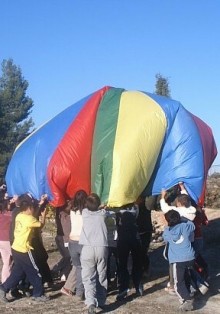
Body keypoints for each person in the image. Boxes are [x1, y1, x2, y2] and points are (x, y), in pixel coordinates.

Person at [0, 196, 49, 303]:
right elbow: (40, 225)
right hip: (24, 249)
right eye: (32, 208)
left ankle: (3, 288)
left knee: (18, 272)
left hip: (15, 248)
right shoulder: (29, 219)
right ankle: (38, 294)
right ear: (28, 208)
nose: (33, 210)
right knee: (35, 271)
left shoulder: (19, 215)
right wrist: (44, 215)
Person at [79, 193, 113, 314]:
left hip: (87, 248)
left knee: (88, 277)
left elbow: (90, 207)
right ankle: (101, 301)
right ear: (99, 204)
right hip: (101, 247)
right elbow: (106, 211)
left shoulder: (84, 213)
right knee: (101, 275)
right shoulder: (103, 215)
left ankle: (90, 302)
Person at [160, 183, 196, 295]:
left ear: (179, 203)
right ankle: (191, 285)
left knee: (174, 265)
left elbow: (165, 208)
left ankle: (173, 285)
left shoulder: (177, 213)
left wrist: (162, 196)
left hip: (175, 245)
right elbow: (186, 200)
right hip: (188, 241)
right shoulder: (191, 211)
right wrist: (182, 187)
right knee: (187, 266)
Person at [163, 210, 195, 312]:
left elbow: (166, 239)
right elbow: (192, 225)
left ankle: (187, 300)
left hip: (177, 260)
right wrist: (184, 219)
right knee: (186, 277)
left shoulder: (167, 231)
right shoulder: (185, 227)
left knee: (178, 283)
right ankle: (189, 292)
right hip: (190, 257)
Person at [61, 190, 87, 299]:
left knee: (77, 267)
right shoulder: (86, 212)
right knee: (83, 267)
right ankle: (80, 292)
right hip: (81, 242)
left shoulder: (72, 211)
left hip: (72, 241)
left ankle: (73, 289)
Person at [116, 203, 143, 301]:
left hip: (123, 237)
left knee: (123, 264)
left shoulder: (118, 207)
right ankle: (138, 286)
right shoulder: (135, 207)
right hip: (134, 236)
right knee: (136, 262)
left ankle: (124, 288)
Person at [51, 203, 72, 281]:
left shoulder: (62, 213)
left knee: (68, 257)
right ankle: (60, 271)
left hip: (62, 238)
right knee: (69, 257)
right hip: (63, 238)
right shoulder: (64, 215)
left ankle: (60, 271)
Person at [0, 199, 13, 283]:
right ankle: (14, 281)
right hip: (8, 240)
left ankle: (5, 281)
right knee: (19, 259)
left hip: (0, 241)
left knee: (6, 262)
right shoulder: (9, 215)